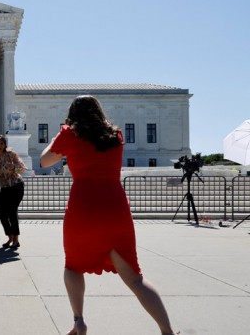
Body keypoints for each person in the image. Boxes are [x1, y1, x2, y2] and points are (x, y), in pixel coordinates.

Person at [40, 95, 176, 335]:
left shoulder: (69, 134)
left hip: (84, 208)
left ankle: (79, 321)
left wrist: (54, 140)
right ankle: (166, 330)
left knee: (73, 267)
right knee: (134, 277)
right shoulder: (116, 135)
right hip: (115, 206)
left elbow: (44, 161)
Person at [0, 135, 27, 248]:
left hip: (16, 186)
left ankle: (16, 239)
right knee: (2, 215)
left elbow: (22, 168)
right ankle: (10, 237)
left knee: (12, 212)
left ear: (5, 145)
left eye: (1, 143)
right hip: (5, 188)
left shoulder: (11, 154)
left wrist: (13, 167)